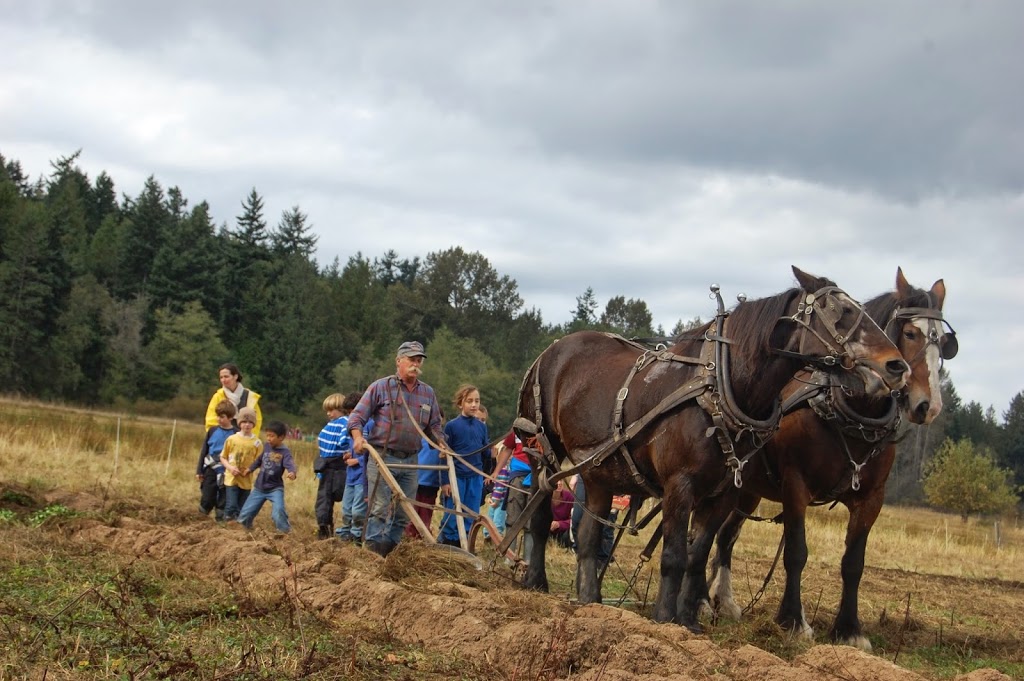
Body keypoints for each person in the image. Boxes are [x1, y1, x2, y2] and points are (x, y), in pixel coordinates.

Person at [348, 340, 445, 557]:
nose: (415, 364)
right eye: (411, 359)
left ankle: (390, 552)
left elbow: (435, 425)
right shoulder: (381, 387)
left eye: (419, 360)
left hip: (411, 459)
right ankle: (373, 553)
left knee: (404, 512)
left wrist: (441, 443)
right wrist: (357, 438)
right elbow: (356, 417)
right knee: (380, 509)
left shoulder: (427, 393)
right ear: (399, 361)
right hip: (382, 456)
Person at [437, 385, 489, 547]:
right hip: (457, 476)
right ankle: (447, 542)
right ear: (460, 404)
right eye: (469, 401)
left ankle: (465, 542)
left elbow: (485, 453)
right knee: (453, 511)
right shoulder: (452, 426)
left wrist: (487, 472)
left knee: (472, 512)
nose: (474, 405)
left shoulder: (482, 427)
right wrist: (445, 481)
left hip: (475, 477)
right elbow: (443, 455)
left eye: (477, 401)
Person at [237, 420, 297, 533]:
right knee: (245, 513)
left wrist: (292, 472)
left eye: (272, 436)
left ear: (281, 437)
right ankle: (244, 529)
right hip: (259, 487)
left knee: (278, 511)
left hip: (275, 488)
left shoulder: (285, 452)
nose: (269, 438)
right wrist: (250, 469)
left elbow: (290, 463)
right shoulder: (266, 447)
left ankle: (284, 532)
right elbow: (259, 460)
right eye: (267, 435)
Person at [315, 393, 351, 539]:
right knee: (330, 498)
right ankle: (326, 528)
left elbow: (344, 441)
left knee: (326, 498)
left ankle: (325, 528)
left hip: (337, 466)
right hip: (331, 465)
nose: (329, 414)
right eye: (327, 411)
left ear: (341, 409)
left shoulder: (343, 422)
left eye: (332, 410)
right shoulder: (334, 424)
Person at [196, 399, 237, 521]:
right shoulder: (212, 431)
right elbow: (204, 451)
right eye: (218, 416)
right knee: (208, 495)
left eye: (222, 417)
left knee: (223, 496)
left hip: (227, 469)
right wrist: (199, 471)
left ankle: (220, 520)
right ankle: (201, 516)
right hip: (211, 468)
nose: (219, 419)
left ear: (230, 417)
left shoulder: (236, 433)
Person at [495, 430, 534, 559]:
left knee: (531, 520)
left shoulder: (543, 430)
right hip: (518, 475)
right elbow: (507, 449)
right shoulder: (517, 431)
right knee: (513, 516)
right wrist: (496, 471)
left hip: (536, 476)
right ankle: (509, 557)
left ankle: (528, 560)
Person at [336, 392, 369, 544]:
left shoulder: (371, 426)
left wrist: (358, 461)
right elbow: (352, 447)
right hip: (351, 476)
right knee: (346, 509)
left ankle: (357, 537)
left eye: (353, 412)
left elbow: (375, 453)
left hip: (364, 477)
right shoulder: (351, 428)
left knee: (358, 511)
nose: (351, 416)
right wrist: (348, 455)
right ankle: (345, 535)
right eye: (348, 413)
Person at [220, 407, 262, 522]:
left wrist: (250, 469)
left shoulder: (257, 443)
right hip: (231, 478)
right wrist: (230, 468)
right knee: (231, 505)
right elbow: (223, 457)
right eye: (244, 422)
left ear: (253, 424)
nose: (247, 425)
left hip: (246, 480)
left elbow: (259, 461)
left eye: (250, 422)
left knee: (242, 507)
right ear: (239, 423)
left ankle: (240, 528)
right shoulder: (232, 439)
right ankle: (227, 526)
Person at [205, 363, 263, 437]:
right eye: (221, 377)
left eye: (226, 377)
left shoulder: (249, 396)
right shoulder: (218, 396)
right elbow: (211, 420)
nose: (223, 380)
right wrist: (217, 436)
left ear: (235, 376)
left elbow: (257, 420)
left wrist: (250, 437)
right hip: (223, 439)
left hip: (245, 439)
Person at [404, 433, 443, 540]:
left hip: (432, 482)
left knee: (426, 514)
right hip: (415, 480)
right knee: (412, 513)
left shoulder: (442, 440)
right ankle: (409, 539)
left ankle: (423, 539)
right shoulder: (418, 436)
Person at [549, 478, 575, 548]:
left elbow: (575, 520)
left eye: (561, 480)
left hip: (564, 531)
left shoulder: (570, 497)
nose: (559, 483)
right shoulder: (545, 497)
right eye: (556, 480)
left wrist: (559, 524)